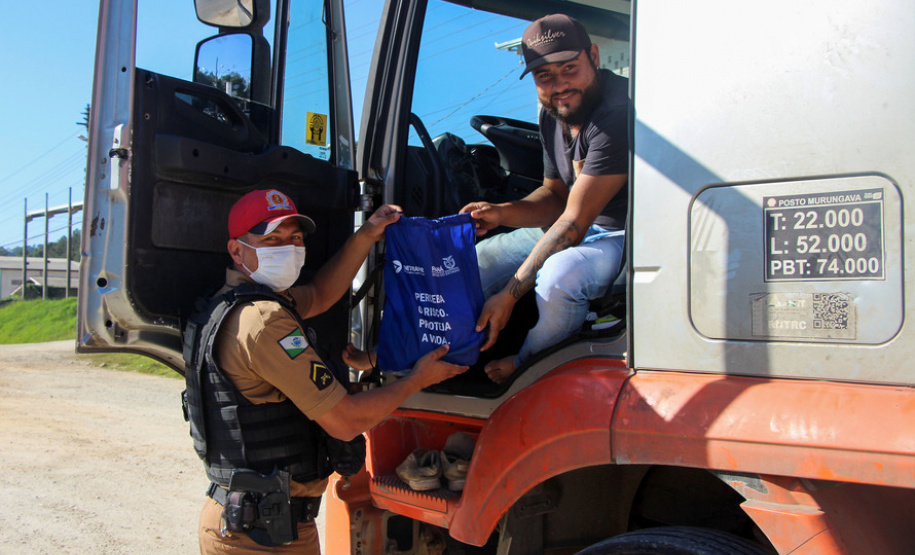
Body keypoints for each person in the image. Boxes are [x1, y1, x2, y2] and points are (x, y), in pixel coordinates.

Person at [186, 189, 468, 554]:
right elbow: (346, 421)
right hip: (262, 538)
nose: (287, 248)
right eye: (272, 239)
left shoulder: (230, 303)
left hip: (254, 521)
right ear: (237, 250)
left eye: (295, 238)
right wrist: (418, 379)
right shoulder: (263, 321)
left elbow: (320, 294)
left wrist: (367, 234)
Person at [459, 13, 629, 384]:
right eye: (544, 75)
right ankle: (436, 356)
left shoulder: (616, 114)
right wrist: (500, 212)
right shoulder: (555, 114)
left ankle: (529, 366)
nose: (559, 85)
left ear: (594, 57)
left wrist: (508, 296)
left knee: (559, 278)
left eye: (570, 68)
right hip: (580, 222)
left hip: (628, 235)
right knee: (476, 261)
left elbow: (573, 223)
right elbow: (554, 195)